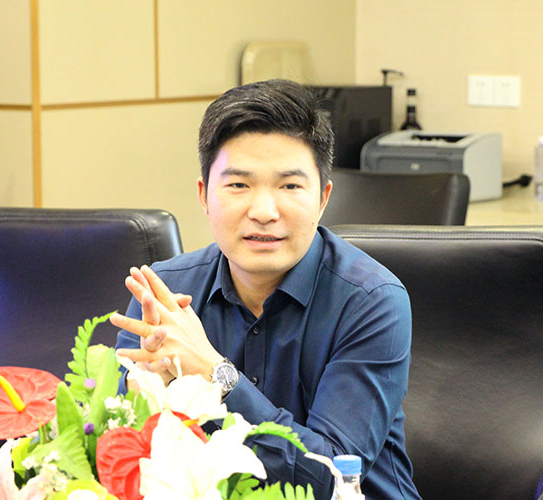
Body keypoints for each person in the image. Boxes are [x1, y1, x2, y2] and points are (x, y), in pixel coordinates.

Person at [112, 79, 421, 500]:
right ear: (204, 195)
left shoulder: (371, 301)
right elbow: (123, 456)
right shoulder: (164, 295)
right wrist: (146, 393)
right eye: (238, 185)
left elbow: (330, 478)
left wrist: (214, 374)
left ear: (323, 198)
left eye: (289, 186)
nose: (263, 211)